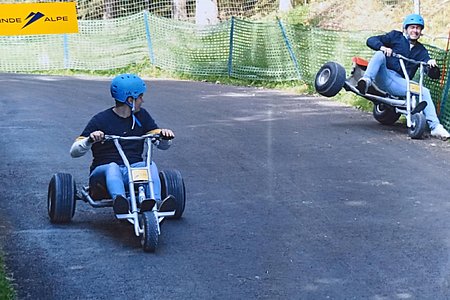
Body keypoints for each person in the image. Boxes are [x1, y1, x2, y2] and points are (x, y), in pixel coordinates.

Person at [70, 73, 175, 214]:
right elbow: (74, 152)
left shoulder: (142, 116)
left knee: (150, 165)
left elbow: (160, 143)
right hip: (103, 176)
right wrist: (90, 139)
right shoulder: (101, 120)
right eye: (140, 97)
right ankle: (121, 202)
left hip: (133, 172)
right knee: (113, 167)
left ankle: (155, 201)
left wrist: (165, 137)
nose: (142, 101)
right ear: (130, 100)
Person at [357, 13, 450, 140]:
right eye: (412, 27)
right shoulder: (395, 36)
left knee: (425, 91)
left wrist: (431, 65)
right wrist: (383, 47)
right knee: (379, 55)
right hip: (384, 75)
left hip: (400, 82)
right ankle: (366, 81)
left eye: (418, 28)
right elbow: (371, 40)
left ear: (421, 31)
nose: (415, 31)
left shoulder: (421, 50)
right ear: (406, 28)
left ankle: (436, 127)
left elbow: (433, 75)